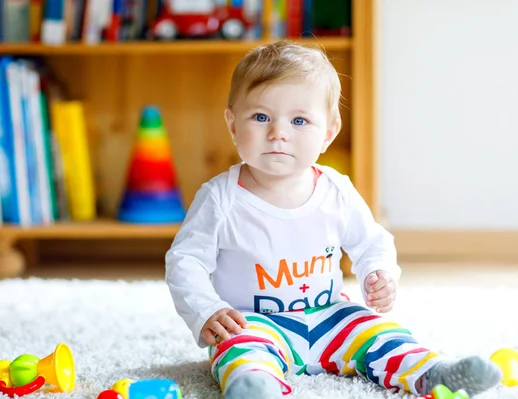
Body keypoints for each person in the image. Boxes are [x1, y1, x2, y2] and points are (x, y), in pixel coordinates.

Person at [165, 40, 501, 399]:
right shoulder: (220, 197)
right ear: (232, 124)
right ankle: (254, 387)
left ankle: (432, 373)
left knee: (377, 331)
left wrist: (378, 272)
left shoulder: (335, 190)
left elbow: (372, 241)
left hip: (330, 315)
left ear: (328, 133)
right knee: (240, 349)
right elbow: (186, 261)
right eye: (261, 117)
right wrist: (208, 309)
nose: (279, 132)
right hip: (253, 320)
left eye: (299, 120)